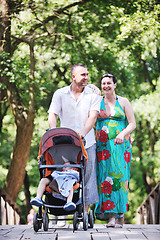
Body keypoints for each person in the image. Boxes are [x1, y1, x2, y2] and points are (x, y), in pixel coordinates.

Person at [48, 63, 101, 214]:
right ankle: (62, 209)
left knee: (88, 177)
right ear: (73, 77)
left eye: (87, 74)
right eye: (83, 74)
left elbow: (93, 117)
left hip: (87, 142)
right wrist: (53, 132)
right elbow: (52, 114)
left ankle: (84, 211)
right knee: (62, 174)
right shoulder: (60, 93)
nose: (87, 77)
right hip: (65, 143)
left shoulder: (93, 94)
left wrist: (83, 133)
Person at [95, 73, 136, 228]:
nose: (106, 86)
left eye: (109, 83)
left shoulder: (123, 101)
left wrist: (122, 133)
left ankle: (120, 216)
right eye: (103, 83)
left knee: (121, 179)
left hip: (121, 146)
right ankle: (111, 217)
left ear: (115, 85)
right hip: (103, 148)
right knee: (105, 179)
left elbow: (132, 123)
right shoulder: (97, 102)